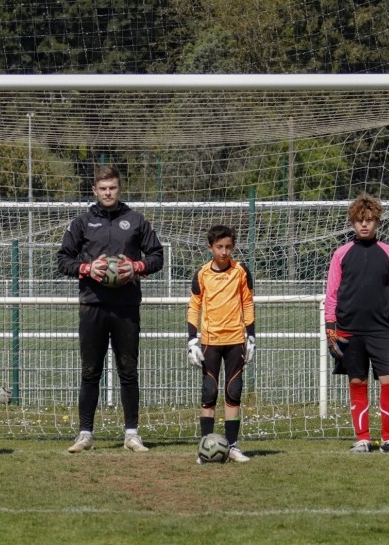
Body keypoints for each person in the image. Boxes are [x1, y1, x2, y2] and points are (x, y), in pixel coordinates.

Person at [57, 164, 165, 453]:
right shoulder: (82, 223)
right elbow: (63, 259)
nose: (108, 192)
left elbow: (157, 255)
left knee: (128, 371)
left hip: (126, 306)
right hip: (92, 305)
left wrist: (138, 266)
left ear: (119, 188)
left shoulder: (135, 220)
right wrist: (86, 268)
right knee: (90, 371)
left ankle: (132, 433)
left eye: (113, 188)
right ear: (94, 190)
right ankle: (85, 433)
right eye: (103, 188)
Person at [324, 193, 389, 454]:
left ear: (377, 223)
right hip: (348, 330)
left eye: (370, 220)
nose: (365, 225)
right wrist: (330, 325)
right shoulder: (341, 254)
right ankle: (362, 438)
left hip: (380, 330)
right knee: (357, 382)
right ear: (353, 222)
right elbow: (332, 292)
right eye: (360, 220)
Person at [186, 225, 256, 463]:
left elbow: (247, 303)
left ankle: (233, 446)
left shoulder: (241, 271)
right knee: (209, 392)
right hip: (210, 341)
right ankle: (205, 446)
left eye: (228, 247)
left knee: (233, 391)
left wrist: (252, 336)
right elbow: (194, 306)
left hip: (236, 340)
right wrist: (192, 340)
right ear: (210, 248)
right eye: (219, 247)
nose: (224, 252)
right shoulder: (202, 274)